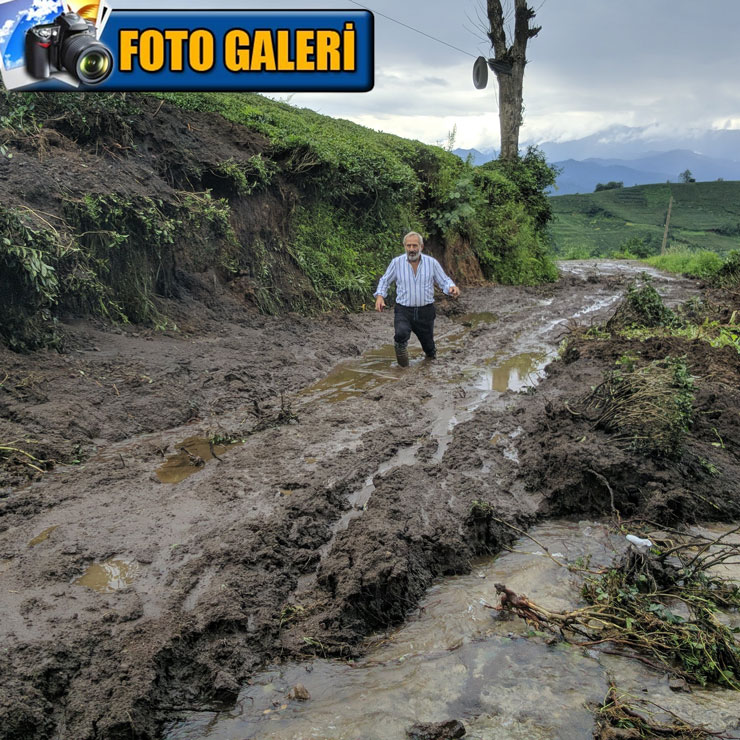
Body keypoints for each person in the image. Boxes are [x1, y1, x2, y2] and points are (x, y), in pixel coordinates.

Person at [374, 231, 460, 367]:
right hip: (403, 310)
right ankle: (403, 368)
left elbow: (444, 280)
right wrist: (380, 296)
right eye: (409, 246)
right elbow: (385, 280)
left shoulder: (431, 263)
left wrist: (451, 287)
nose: (412, 249)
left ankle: (429, 363)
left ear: (421, 246)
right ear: (404, 246)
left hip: (425, 311)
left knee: (429, 347)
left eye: (415, 246)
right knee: (401, 335)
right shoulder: (396, 263)